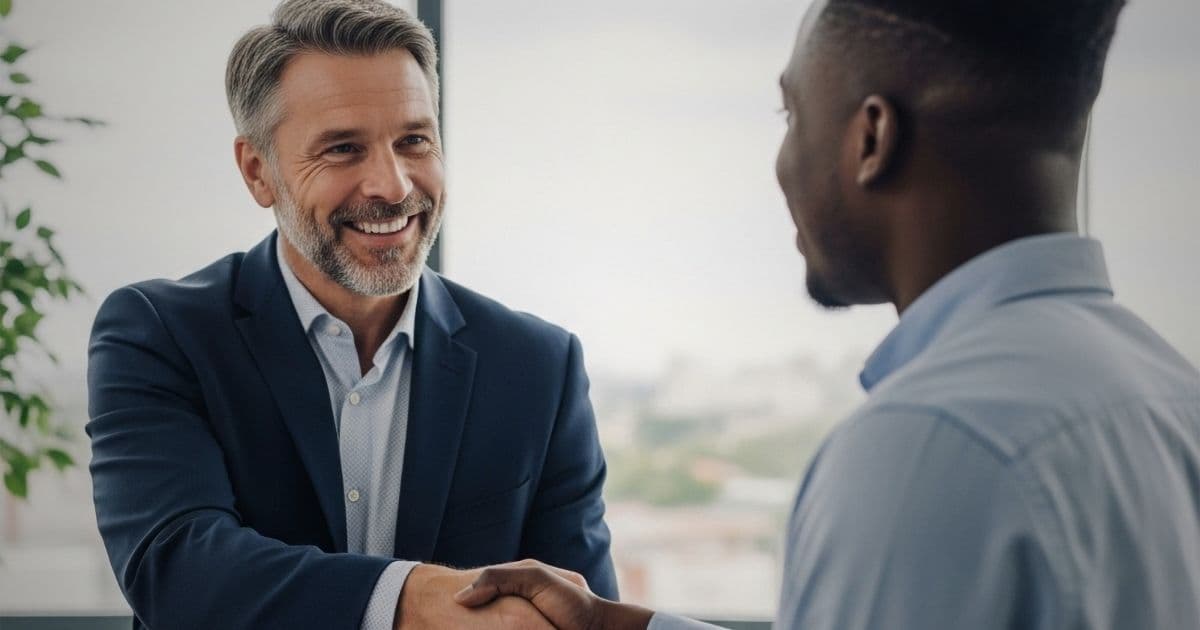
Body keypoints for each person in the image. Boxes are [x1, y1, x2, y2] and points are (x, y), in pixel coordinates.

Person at [455, 0, 1200, 628]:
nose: (781, 160)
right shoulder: (1168, 395)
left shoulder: (923, 446)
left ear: (872, 138)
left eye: (791, 112)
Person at [85, 1, 616, 628]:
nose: (391, 186)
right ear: (259, 172)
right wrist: (413, 598)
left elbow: (582, 616)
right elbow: (176, 571)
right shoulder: (159, 333)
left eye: (414, 140)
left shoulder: (537, 366)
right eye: (342, 149)